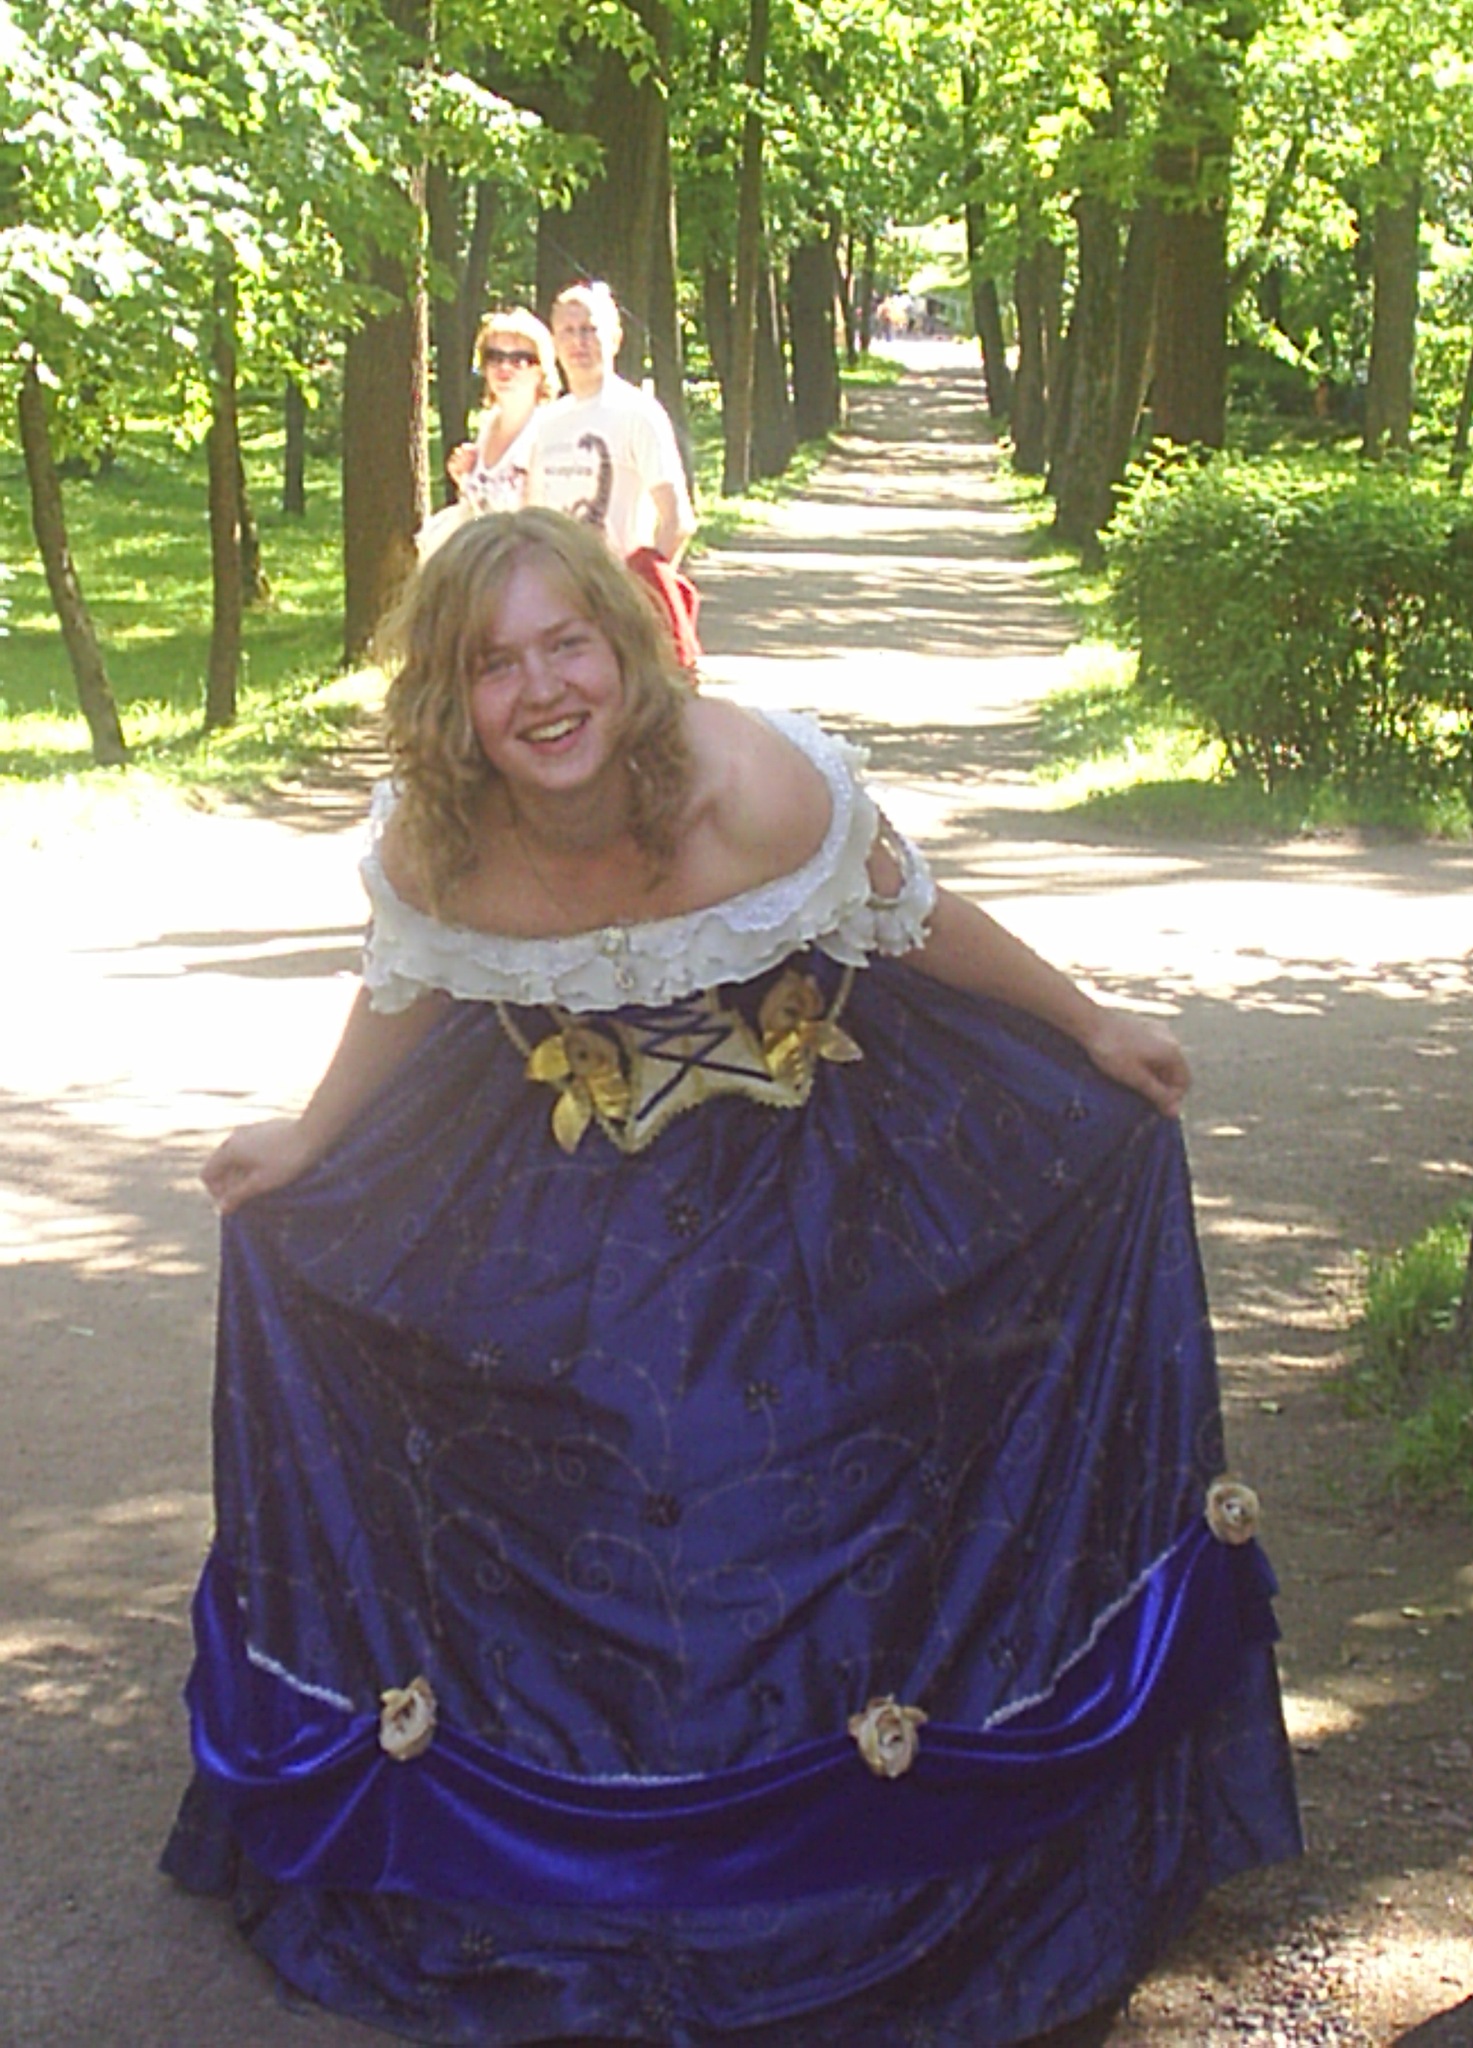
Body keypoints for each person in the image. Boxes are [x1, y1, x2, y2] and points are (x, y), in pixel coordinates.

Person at [162, 508, 1301, 2047]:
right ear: (450, 699)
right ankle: (575, 1814)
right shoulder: (436, 842)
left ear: (623, 649)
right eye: (494, 663)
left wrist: (1091, 1023)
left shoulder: (756, 785)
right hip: (562, 1166)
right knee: (564, 1432)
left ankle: (867, 1812)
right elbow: (406, 983)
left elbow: (915, 917)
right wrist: (308, 1139)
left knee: (789, 1434)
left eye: (566, 644)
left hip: (816, 1146)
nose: (540, 689)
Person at [529, 281, 701, 666]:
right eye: (568, 331)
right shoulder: (546, 424)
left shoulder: (637, 413)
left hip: (620, 609)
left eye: (590, 329)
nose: (579, 342)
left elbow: (677, 520)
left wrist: (638, 596)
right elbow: (533, 523)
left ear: (615, 338)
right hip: (559, 609)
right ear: (554, 343)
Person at [416, 307, 557, 560]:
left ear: (541, 370)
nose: (505, 367)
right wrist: (463, 478)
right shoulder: (488, 425)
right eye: (494, 356)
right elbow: (476, 508)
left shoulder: (547, 432)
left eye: (519, 359)